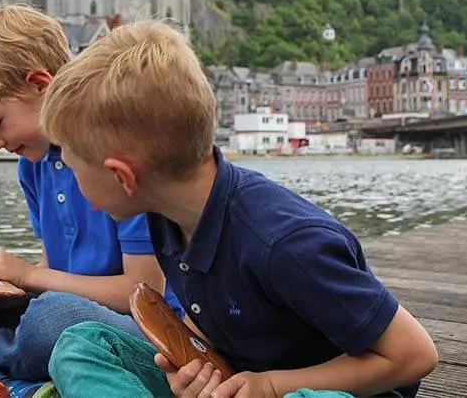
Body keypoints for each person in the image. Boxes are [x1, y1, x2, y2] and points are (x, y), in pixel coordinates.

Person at [40, 20, 439, 398]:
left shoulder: (285, 244)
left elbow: (415, 355)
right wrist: (192, 366)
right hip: (240, 379)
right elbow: (212, 310)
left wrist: (269, 387)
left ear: (123, 177)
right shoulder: (164, 214)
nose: (74, 184)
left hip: (328, 387)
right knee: (81, 345)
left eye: (75, 170)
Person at [0, 0, 181, 397]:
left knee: (52, 314)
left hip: (135, 325)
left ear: (40, 85)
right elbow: (53, 266)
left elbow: (143, 292)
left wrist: (28, 278)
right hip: (63, 309)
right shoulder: (32, 165)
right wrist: (1, 291)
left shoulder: (115, 155)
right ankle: (2, 378)